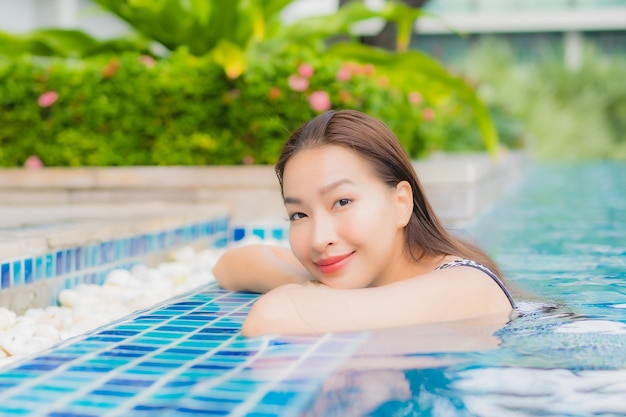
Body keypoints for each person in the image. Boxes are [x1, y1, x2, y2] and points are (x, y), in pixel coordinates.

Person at [213, 109, 515, 337]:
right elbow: (230, 265)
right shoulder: (367, 270)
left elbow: (270, 317)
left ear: (400, 204)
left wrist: (318, 293)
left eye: (342, 202)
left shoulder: (467, 287)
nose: (320, 239)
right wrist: (313, 284)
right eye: (299, 215)